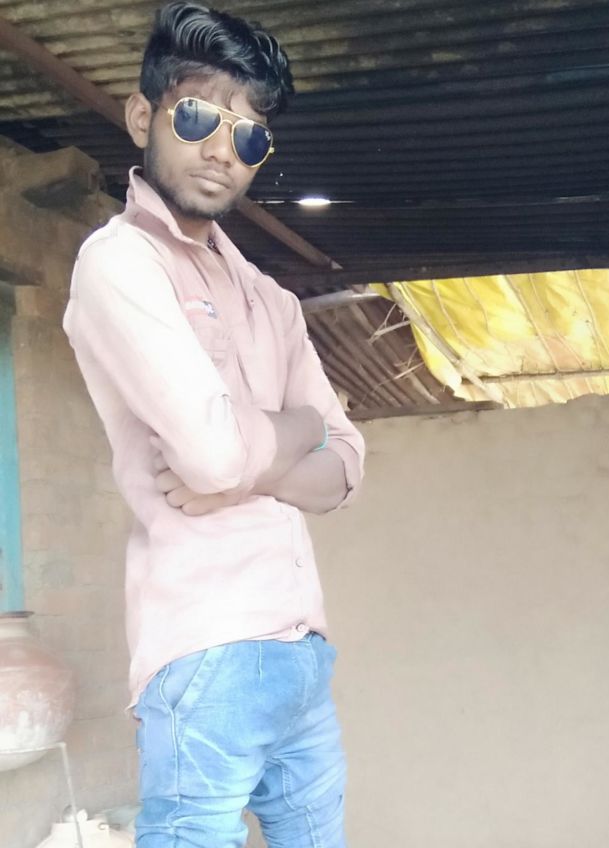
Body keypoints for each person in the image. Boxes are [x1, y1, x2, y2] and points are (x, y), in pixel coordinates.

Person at [62, 3, 365, 847]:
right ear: (143, 115)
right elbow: (210, 452)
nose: (221, 149)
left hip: (302, 649)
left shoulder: (271, 299)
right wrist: (296, 431)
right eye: (197, 116)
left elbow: (347, 464)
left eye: (250, 135)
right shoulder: (119, 262)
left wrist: (254, 460)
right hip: (207, 647)